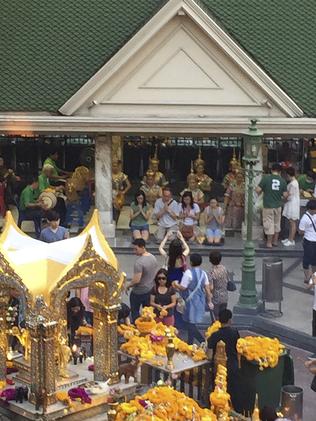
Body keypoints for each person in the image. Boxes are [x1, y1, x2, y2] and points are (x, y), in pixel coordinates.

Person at [173, 253, 212, 344]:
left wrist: (176, 284)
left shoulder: (188, 273)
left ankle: (201, 340)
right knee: (192, 322)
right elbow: (207, 289)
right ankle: (190, 342)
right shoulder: (203, 274)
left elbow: (183, 287)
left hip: (189, 302)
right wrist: (209, 301)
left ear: (191, 262)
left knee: (189, 323)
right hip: (200, 301)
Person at [207, 309, 241, 413]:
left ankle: (218, 412)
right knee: (233, 391)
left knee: (219, 391)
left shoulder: (214, 335)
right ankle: (234, 411)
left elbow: (209, 353)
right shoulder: (235, 332)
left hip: (219, 368)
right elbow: (238, 348)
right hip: (232, 366)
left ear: (219, 320)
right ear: (230, 320)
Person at [159, 231, 189, 328]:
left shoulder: (168, 258)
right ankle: (179, 323)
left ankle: (169, 322)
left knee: (171, 303)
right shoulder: (183, 258)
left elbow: (160, 248)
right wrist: (182, 238)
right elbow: (188, 248)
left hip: (170, 284)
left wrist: (166, 237)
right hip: (180, 284)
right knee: (180, 304)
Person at [256, 163, 288, 248]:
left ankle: (269, 243)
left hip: (268, 205)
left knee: (268, 223)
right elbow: (285, 195)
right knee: (277, 223)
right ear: (280, 171)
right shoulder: (283, 181)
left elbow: (258, 190)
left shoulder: (266, 178)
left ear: (271, 170)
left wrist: (263, 192)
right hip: (278, 205)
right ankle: (275, 241)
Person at [127, 239, 158, 322]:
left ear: (143, 247)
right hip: (150, 289)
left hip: (139, 291)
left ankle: (137, 328)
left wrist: (128, 285)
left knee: (135, 312)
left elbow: (136, 280)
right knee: (148, 313)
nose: (134, 251)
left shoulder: (139, 263)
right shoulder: (153, 257)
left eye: (136, 249)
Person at [298, 199, 316, 283]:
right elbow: (301, 231)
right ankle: (307, 277)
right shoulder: (304, 219)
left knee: (314, 261)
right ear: (310, 209)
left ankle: (314, 277)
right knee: (307, 260)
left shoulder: (315, 214)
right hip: (309, 241)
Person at [282, 167, 300, 246]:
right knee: (290, 222)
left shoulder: (293, 183)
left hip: (292, 204)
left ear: (288, 175)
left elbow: (290, 196)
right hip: (291, 203)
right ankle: (289, 238)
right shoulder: (293, 182)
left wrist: (284, 198)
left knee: (292, 222)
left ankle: (291, 240)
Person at [208, 251, 228, 320]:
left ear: (210, 260)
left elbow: (211, 287)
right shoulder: (224, 268)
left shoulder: (211, 271)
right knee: (223, 315)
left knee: (216, 317)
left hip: (216, 297)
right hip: (225, 295)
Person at [112, 159, 131, 223]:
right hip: (111, 193)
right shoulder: (109, 175)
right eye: (113, 166)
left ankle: (117, 222)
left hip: (119, 194)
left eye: (116, 166)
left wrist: (124, 192)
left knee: (118, 208)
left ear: (118, 166)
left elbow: (129, 185)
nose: (114, 167)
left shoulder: (122, 175)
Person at [307, 271, 316, 336]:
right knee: (315, 325)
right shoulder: (315, 275)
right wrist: (313, 283)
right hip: (315, 307)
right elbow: (308, 288)